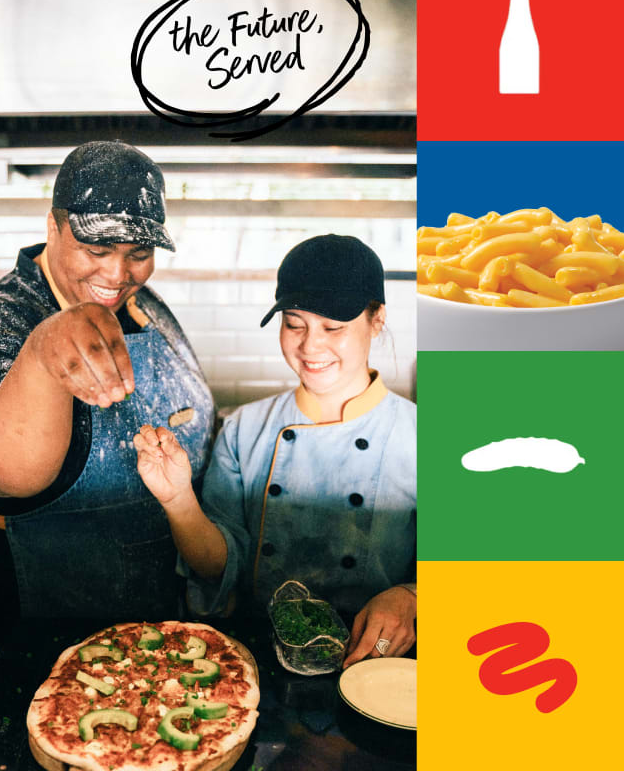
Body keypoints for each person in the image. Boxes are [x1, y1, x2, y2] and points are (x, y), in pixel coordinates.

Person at [0, 141, 214, 620]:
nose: (117, 273)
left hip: (142, 596)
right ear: (53, 225)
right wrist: (41, 354)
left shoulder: (144, 303)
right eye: (96, 249)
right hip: (13, 601)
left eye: (139, 252)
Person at [133, 234, 416, 666]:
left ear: (377, 320)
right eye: (294, 323)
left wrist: (413, 595)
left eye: (333, 327)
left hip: (376, 665)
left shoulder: (423, 437)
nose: (310, 346)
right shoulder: (245, 429)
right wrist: (177, 499)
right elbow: (218, 570)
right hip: (255, 661)